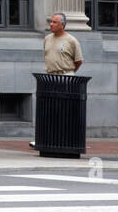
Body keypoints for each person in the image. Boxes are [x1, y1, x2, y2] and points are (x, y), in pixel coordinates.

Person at [30, 13, 84, 149]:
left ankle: (65, 139)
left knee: (64, 109)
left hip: (66, 76)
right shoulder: (47, 39)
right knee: (49, 110)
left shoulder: (71, 40)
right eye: (51, 22)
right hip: (50, 77)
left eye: (54, 22)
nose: (51, 25)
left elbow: (79, 61)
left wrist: (68, 72)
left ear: (62, 25)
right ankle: (45, 138)